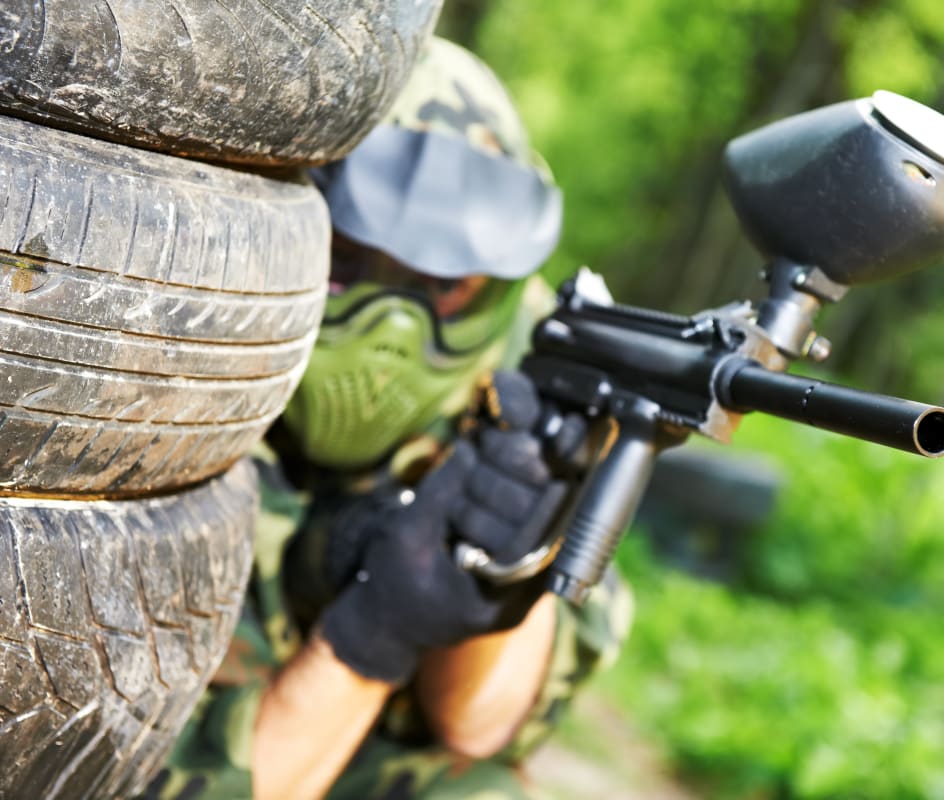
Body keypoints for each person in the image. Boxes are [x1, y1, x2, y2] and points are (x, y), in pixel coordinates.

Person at [144, 38, 631, 800]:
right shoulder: (152, 361)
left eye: (443, 285)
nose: (394, 329)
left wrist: (500, 561)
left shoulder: (520, 385)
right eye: (349, 264)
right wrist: (373, 636)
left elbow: (482, 724)